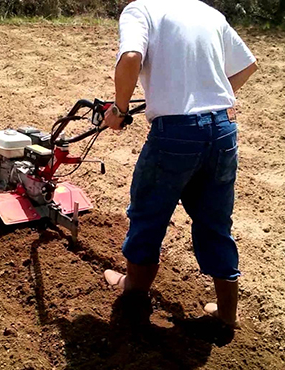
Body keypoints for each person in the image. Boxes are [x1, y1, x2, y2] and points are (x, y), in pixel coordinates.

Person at [102, 0, 258, 330]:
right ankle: (227, 315)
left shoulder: (140, 10)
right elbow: (248, 65)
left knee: (149, 212)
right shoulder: (207, 12)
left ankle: (134, 290)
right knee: (215, 221)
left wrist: (119, 109)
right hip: (223, 129)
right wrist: (207, 95)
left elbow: (131, 57)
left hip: (175, 134)